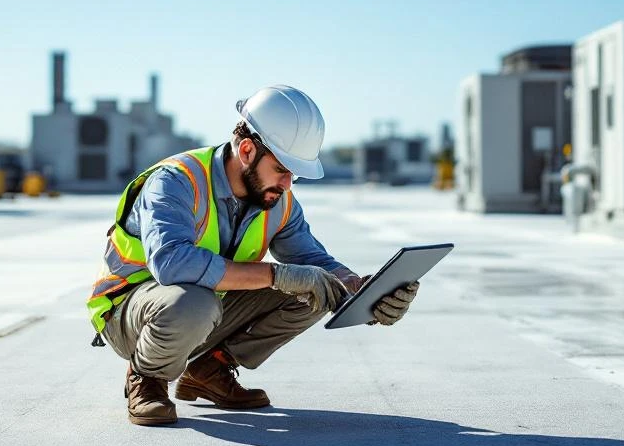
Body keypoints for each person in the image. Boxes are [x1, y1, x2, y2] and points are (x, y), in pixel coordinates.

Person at [87, 85, 419, 426]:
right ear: (247, 150)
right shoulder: (176, 181)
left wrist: (362, 291)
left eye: (295, 175)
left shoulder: (277, 201)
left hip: (205, 311)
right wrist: (276, 275)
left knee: (315, 289)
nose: (288, 184)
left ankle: (210, 368)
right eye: (282, 169)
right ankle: (146, 378)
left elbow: (315, 263)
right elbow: (172, 263)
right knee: (194, 302)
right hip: (132, 312)